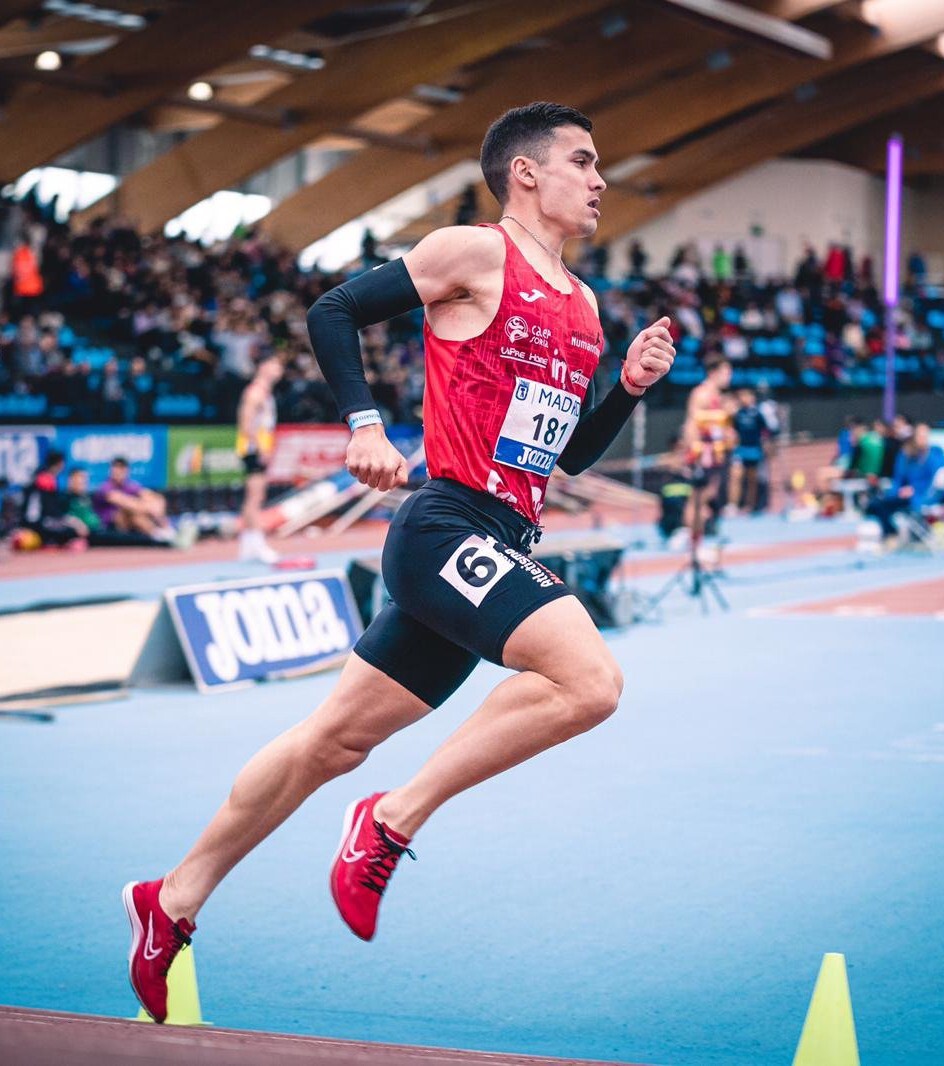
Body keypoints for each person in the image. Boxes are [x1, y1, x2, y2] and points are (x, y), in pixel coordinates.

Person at [122, 101, 675, 1024]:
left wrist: (625, 386)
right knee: (590, 681)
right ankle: (391, 818)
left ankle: (170, 900)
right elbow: (334, 310)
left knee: (331, 742)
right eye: (582, 160)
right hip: (445, 528)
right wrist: (364, 424)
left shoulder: (582, 307)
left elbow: (570, 455)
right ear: (526, 173)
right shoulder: (475, 253)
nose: (600, 179)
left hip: (499, 540)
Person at [679, 353, 736, 536]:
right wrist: (693, 451)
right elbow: (691, 423)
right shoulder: (701, 394)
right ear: (713, 372)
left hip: (715, 451)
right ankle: (690, 535)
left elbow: (718, 426)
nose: (729, 377)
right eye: (726, 373)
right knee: (698, 496)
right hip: (703, 452)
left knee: (708, 493)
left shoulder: (718, 396)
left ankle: (697, 535)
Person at [236, 353, 284, 564]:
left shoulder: (265, 392)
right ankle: (258, 542)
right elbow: (246, 424)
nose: (279, 370)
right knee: (255, 497)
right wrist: (260, 448)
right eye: (275, 365)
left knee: (254, 496)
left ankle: (248, 544)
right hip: (253, 449)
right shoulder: (255, 392)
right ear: (263, 366)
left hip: (258, 447)